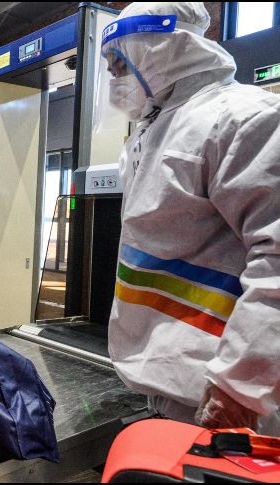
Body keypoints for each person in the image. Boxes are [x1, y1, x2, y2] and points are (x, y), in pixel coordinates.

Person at [101, 2, 280, 433]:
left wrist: (240, 384)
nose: (113, 76)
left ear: (163, 48)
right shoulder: (151, 133)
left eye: (121, 62)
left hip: (228, 398)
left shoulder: (243, 118)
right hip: (171, 386)